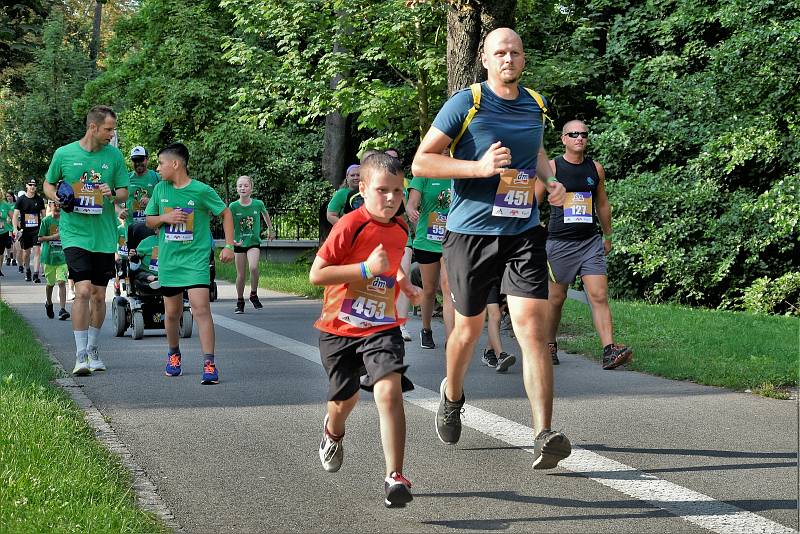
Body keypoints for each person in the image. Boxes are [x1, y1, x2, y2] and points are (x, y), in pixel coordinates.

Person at [411, 27, 572, 469]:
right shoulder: (467, 102)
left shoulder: (534, 104)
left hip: (523, 230)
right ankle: (453, 393)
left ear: (524, 59)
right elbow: (422, 161)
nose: (508, 58)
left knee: (532, 332)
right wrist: (478, 167)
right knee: (468, 330)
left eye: (515, 52)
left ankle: (544, 434)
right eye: (499, 52)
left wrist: (549, 180)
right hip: (471, 233)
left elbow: (535, 151)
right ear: (484, 58)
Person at [309, 153, 422, 508]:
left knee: (389, 390)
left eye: (398, 192)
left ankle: (395, 476)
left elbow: (388, 264)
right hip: (339, 327)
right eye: (382, 191)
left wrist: (403, 284)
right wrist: (363, 269)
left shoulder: (401, 227)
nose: (391, 199)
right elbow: (317, 275)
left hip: (381, 325)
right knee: (345, 401)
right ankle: (333, 430)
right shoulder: (350, 225)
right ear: (363, 188)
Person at [534, 119, 632, 370]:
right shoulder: (552, 167)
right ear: (564, 139)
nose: (579, 138)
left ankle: (609, 350)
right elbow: (533, 201)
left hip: (589, 242)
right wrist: (535, 229)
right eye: (573, 134)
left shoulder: (595, 169)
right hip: (559, 243)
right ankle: (549, 343)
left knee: (598, 295)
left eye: (583, 134)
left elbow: (602, 203)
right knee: (556, 298)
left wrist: (608, 235)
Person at [44, 105, 130, 376]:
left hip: (103, 236)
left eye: (113, 129)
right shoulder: (64, 154)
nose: (112, 134)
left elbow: (125, 192)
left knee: (98, 295)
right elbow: (49, 184)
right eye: (108, 129)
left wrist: (112, 193)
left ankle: (93, 349)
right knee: (81, 291)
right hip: (74, 233)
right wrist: (58, 197)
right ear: (93, 127)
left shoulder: (114, 156)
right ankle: (80, 355)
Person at [145, 142, 234, 384]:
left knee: (201, 309)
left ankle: (209, 363)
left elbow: (225, 213)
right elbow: (149, 221)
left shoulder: (201, 190)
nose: (158, 167)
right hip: (169, 261)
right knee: (172, 313)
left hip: (195, 260)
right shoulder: (160, 190)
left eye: (161, 163)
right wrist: (166, 217)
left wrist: (228, 245)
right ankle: (173, 355)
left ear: (176, 164)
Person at [406, 163, 455, 349]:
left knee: (448, 286)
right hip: (427, 240)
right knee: (429, 289)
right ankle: (426, 330)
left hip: (451, 239)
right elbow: (412, 202)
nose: (443, 152)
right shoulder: (424, 175)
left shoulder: (457, 173)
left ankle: (451, 339)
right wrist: (411, 209)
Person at [230, 175, 274, 313]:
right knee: (241, 275)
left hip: (253, 242)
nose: (243, 188)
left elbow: (265, 215)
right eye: (240, 186)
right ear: (237, 189)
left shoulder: (258, 204)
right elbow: (228, 223)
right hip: (239, 243)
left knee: (254, 267)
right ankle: (240, 301)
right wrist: (231, 241)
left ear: (251, 188)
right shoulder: (233, 206)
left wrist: (270, 229)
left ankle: (253, 294)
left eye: (246, 185)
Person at [38, 200, 70, 320]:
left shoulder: (65, 220)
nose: (57, 208)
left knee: (61, 282)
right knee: (50, 284)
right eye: (54, 205)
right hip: (49, 257)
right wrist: (53, 237)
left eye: (59, 206)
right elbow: (40, 238)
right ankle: (49, 302)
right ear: (50, 207)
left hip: (62, 257)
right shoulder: (46, 221)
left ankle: (62, 309)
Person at [14, 179, 46, 283]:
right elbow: (15, 216)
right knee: (26, 253)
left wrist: (45, 229)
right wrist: (15, 228)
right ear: (26, 186)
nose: (32, 186)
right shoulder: (21, 200)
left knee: (37, 251)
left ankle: (36, 274)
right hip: (25, 230)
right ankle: (27, 270)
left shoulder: (39, 199)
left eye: (34, 185)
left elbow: (44, 216)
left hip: (37, 229)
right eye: (30, 185)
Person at [481, 284, 515, 371]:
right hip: (486, 278)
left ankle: (489, 351)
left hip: (503, 276)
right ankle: (501, 355)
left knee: (498, 312)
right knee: (495, 314)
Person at [125, 146, 160, 225]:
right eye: (135, 160)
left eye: (141, 160)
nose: (138, 163)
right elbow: (114, 198)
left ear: (147, 159)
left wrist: (151, 201)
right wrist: (120, 210)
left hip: (151, 226)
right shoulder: (126, 178)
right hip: (131, 226)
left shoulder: (157, 177)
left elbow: (166, 200)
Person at [0, 191, 14, 275]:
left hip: (3, 231)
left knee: (0, 252)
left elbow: (13, 217)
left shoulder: (5, 204)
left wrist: (16, 228)